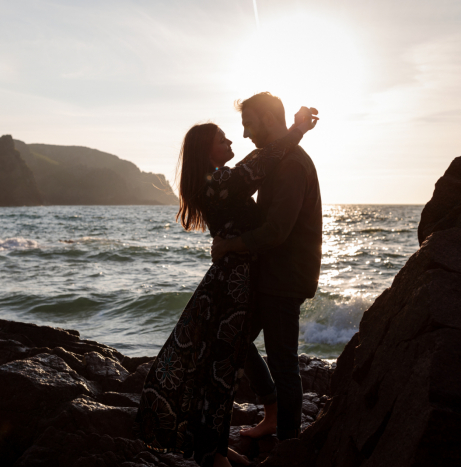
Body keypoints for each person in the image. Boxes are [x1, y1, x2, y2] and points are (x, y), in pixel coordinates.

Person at [133, 110, 318, 467]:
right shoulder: (217, 181)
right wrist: (296, 129)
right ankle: (218, 453)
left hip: (237, 277)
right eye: (222, 139)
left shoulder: (214, 180)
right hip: (236, 282)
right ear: (207, 151)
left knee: (223, 357)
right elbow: (258, 164)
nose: (233, 141)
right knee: (219, 368)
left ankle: (221, 445)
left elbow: (256, 164)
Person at [211, 92, 323, 441]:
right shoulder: (278, 159)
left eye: (248, 124)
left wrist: (230, 244)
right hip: (270, 273)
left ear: (268, 119)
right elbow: (255, 167)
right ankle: (273, 412)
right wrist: (297, 130)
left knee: (283, 362)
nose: (244, 134)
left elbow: (276, 230)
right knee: (235, 339)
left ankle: (289, 445)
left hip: (284, 277)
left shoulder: (291, 165)